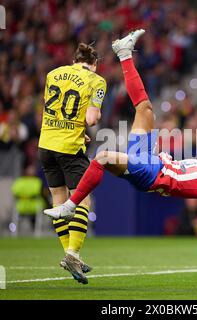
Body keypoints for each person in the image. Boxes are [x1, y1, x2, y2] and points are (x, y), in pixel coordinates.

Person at [44, 30, 197, 283]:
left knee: (103, 157)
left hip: (151, 175)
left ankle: (70, 206)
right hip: (152, 158)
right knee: (145, 109)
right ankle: (125, 53)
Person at [38, 43, 107, 284]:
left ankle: (69, 254)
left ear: (74, 59)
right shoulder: (97, 81)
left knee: (59, 201)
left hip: (46, 144)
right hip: (69, 147)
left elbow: (54, 110)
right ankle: (73, 253)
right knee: (82, 199)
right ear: (94, 64)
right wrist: (94, 117)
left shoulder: (53, 74)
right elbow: (90, 118)